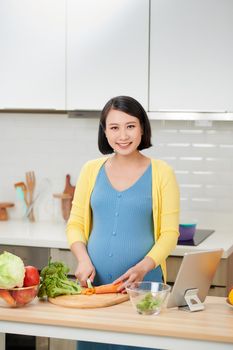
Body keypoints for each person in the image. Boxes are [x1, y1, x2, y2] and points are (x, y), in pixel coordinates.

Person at [66, 95, 180, 350]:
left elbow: (169, 234)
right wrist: (83, 259)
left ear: (142, 129)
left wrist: (141, 268)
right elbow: (75, 223)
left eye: (130, 126)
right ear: (104, 132)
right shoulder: (90, 170)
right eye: (114, 127)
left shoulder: (162, 172)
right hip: (96, 289)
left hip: (142, 291)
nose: (123, 135)